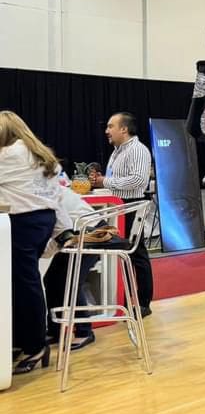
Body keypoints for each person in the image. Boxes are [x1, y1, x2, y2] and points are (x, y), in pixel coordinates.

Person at [0, 111, 62, 374]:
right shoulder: (40, 154)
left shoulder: (8, 154)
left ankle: (35, 345)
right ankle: (24, 340)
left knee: (24, 284)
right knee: (23, 282)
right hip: (43, 221)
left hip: (21, 222)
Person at [89, 112, 154, 315]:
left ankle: (143, 303)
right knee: (125, 253)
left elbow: (138, 180)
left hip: (132, 205)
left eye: (111, 126)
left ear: (124, 129)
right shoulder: (118, 151)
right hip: (120, 206)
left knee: (136, 253)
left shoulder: (137, 150)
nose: (107, 131)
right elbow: (119, 180)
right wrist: (103, 181)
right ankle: (125, 299)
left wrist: (105, 181)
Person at [43, 185, 99, 351]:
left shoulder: (42, 192)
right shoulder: (41, 187)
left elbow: (62, 231)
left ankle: (84, 331)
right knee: (51, 280)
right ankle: (55, 330)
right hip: (76, 233)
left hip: (89, 233)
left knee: (70, 282)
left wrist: (39, 254)